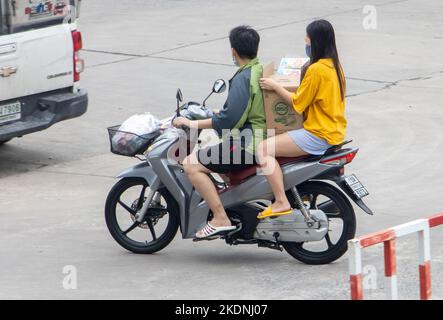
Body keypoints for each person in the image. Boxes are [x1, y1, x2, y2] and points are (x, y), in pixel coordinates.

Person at [172, 25, 266, 238]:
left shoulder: (243, 78)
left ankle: (220, 217)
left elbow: (229, 120)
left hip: (247, 143)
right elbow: (243, 109)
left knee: (191, 164)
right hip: (259, 136)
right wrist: (220, 111)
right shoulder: (258, 70)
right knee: (213, 154)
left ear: (233, 51)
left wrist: (192, 123)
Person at [257, 19, 347, 219]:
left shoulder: (316, 70)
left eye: (307, 39)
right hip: (335, 131)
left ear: (315, 41)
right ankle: (298, 194)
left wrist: (275, 86)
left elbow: (297, 102)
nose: (305, 42)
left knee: (263, 148)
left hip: (318, 134)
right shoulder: (335, 66)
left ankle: (280, 201)